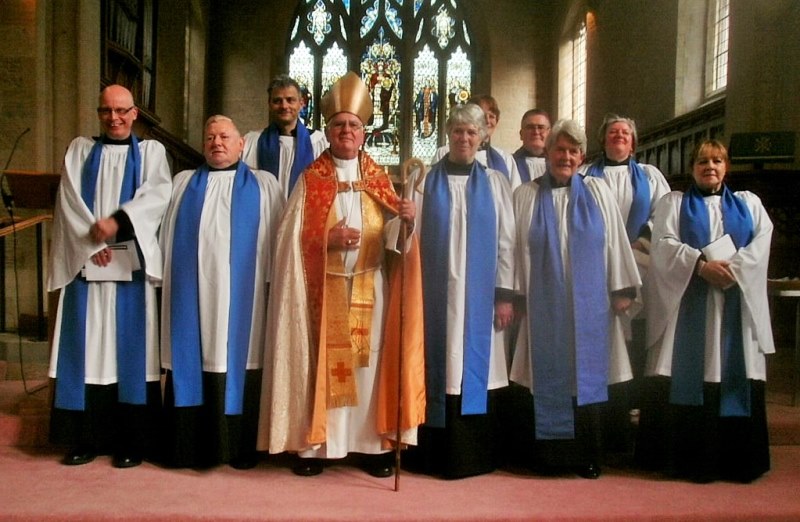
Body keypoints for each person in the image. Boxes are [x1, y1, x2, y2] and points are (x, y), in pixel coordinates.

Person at [257, 71, 425, 478]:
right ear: (327, 132)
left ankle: (371, 447)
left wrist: (405, 222)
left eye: (353, 125)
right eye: (338, 125)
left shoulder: (380, 179)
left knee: (366, 372)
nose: (346, 130)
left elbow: (393, 242)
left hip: (370, 285)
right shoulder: (311, 179)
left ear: (364, 133)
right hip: (326, 286)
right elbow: (288, 239)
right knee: (327, 369)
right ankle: (317, 448)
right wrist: (325, 237)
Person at [47, 84, 172, 468]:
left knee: (130, 357)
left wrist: (116, 223)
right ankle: (86, 439)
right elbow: (69, 199)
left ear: (135, 113)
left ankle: (132, 442)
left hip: (129, 271)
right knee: (88, 354)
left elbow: (157, 196)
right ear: (98, 113)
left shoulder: (152, 153)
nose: (114, 118)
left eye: (122, 111)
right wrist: (91, 242)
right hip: (88, 265)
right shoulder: (80, 151)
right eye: (106, 111)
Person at [636, 139, 773, 483]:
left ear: (726, 167)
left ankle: (735, 462)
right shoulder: (674, 202)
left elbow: (762, 242)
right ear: (692, 167)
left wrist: (733, 269)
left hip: (733, 303)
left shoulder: (749, 205)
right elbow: (664, 244)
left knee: (731, 367)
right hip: (688, 304)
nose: (709, 166)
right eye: (702, 161)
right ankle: (685, 461)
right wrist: (699, 264)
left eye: (717, 161)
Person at [511, 119, 641, 479]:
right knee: (545, 378)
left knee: (587, 377)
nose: (565, 157)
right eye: (559, 150)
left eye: (572, 151)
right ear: (548, 153)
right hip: (541, 307)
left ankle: (587, 455)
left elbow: (614, 240)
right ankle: (548, 456)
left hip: (591, 306)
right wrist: (515, 294)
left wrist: (621, 289)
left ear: (582, 156)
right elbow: (511, 249)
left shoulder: (598, 193)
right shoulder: (525, 195)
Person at [160, 115, 285, 469]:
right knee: (192, 360)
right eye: (210, 136)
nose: (217, 142)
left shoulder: (264, 185)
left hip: (245, 299)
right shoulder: (183, 183)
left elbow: (279, 239)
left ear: (241, 143)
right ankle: (187, 447)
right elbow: (164, 238)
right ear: (203, 144)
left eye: (225, 136)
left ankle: (239, 448)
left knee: (240, 361)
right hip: (192, 295)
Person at [405, 102, 515, 479]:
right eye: (457, 131)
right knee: (437, 363)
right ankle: (432, 453)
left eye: (471, 132)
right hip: (433, 295)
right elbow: (407, 238)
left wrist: (503, 295)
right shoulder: (423, 182)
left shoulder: (496, 184)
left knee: (474, 370)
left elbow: (506, 243)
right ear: (447, 135)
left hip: (480, 299)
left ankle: (473, 454)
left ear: (482, 137)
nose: (464, 138)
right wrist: (402, 223)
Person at [582, 114, 671, 450]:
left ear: (633, 143)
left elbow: (663, 218)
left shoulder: (650, 177)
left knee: (634, 345)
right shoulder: (585, 176)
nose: (619, 137)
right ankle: (602, 416)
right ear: (602, 140)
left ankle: (631, 417)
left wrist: (634, 249)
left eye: (625, 133)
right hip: (598, 272)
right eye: (612, 132)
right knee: (604, 345)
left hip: (642, 268)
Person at [242, 74, 328, 198]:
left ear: (301, 103)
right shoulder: (252, 142)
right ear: (269, 104)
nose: (284, 106)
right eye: (277, 101)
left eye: (290, 100)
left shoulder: (319, 142)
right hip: (265, 216)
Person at [433, 95, 522, 191]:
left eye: (492, 116)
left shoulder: (505, 158)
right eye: (483, 116)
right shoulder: (444, 152)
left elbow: (514, 196)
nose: (487, 121)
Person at [513, 109, 551, 183]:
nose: (536, 132)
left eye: (540, 127)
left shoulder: (558, 165)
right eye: (530, 127)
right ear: (521, 134)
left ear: (549, 134)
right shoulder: (510, 163)